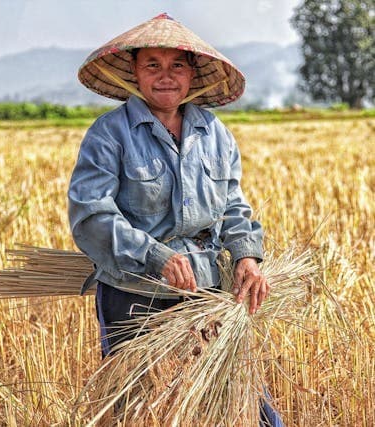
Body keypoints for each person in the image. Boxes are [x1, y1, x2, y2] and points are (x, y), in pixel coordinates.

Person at [68, 13, 283, 426]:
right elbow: (90, 214)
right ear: (134, 71)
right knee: (133, 409)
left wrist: (246, 256)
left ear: (192, 73)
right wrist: (156, 256)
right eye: (153, 64)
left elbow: (234, 206)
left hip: (208, 288)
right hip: (135, 293)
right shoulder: (109, 134)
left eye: (176, 65)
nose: (165, 76)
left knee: (245, 403)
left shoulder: (214, 132)